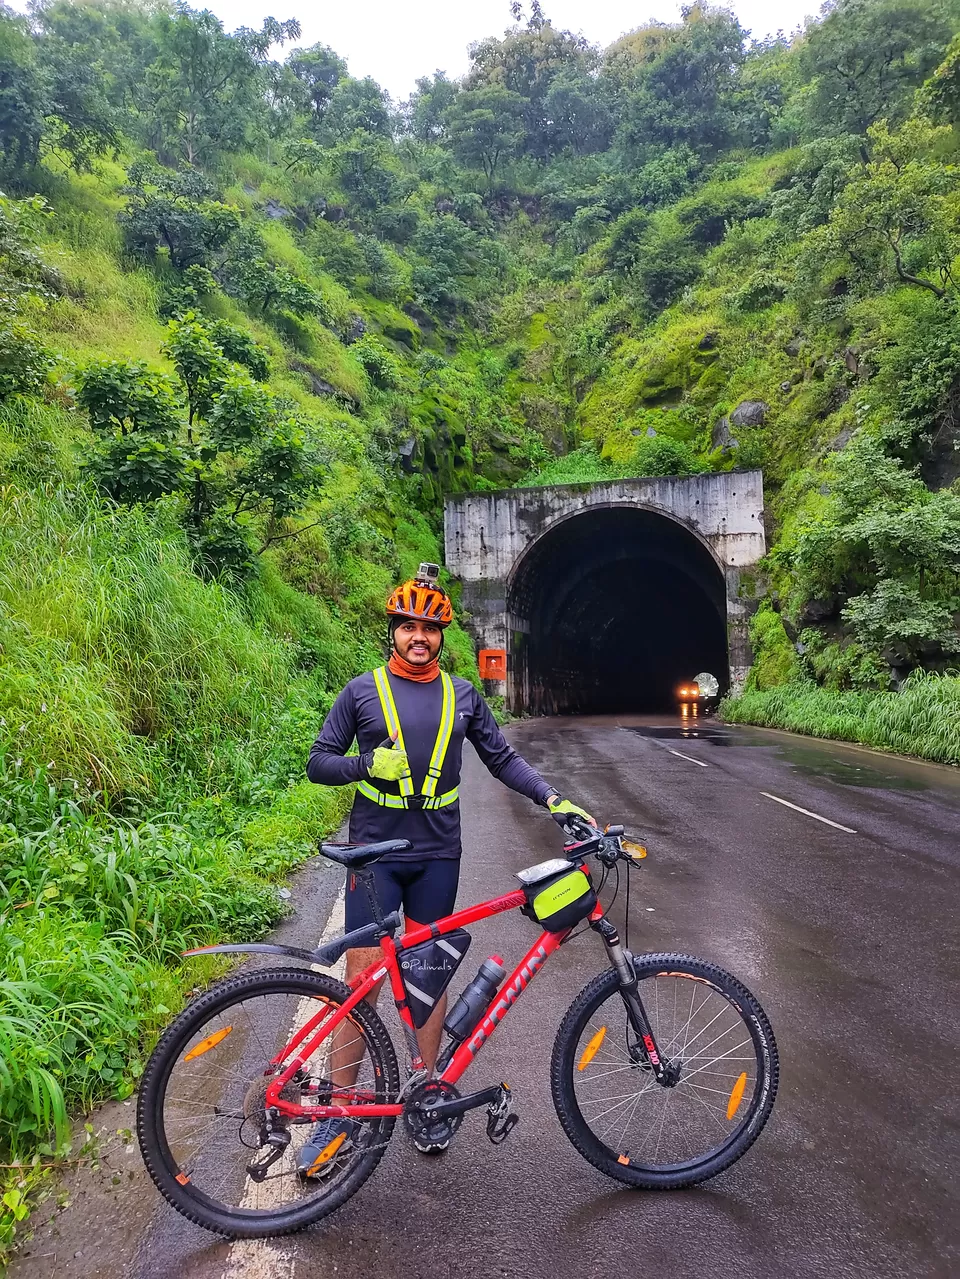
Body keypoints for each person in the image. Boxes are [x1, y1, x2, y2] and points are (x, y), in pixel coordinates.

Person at [299, 565, 592, 1172]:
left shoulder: (463, 695)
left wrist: (553, 800)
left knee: (428, 974)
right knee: (363, 981)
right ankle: (335, 1111)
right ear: (393, 633)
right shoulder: (360, 692)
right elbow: (318, 763)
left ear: (441, 636)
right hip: (375, 852)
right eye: (408, 626)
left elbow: (503, 758)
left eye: (429, 628)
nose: (418, 637)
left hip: (437, 853)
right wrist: (363, 767)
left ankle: (427, 1095)